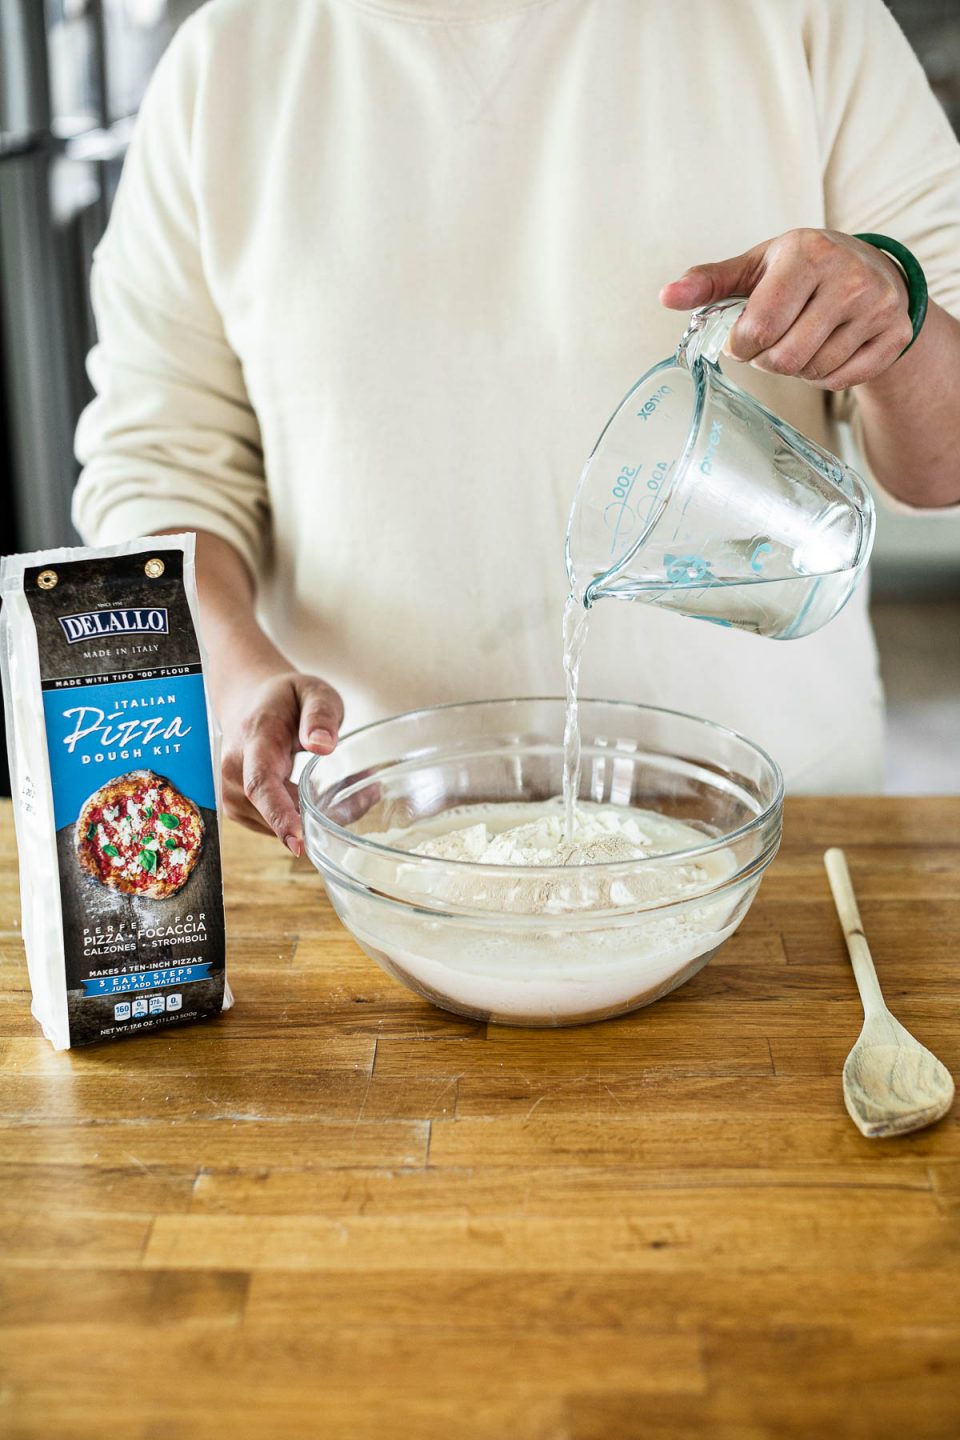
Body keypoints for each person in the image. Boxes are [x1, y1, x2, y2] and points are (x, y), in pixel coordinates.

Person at [73, 0, 960, 854]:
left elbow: (945, 461)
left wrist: (894, 317)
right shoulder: (224, 64)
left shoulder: (802, 18)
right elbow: (158, 466)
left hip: (779, 830)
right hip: (372, 828)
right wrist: (236, 680)